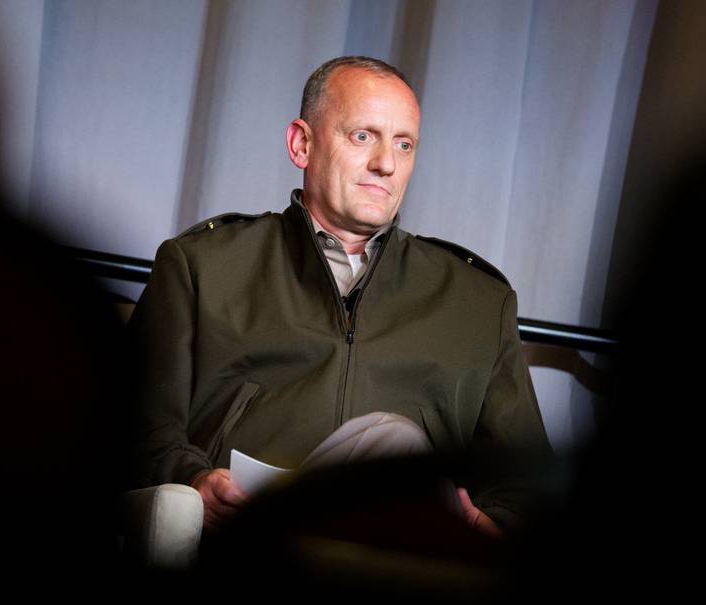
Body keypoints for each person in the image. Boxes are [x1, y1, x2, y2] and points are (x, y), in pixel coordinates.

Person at [128, 56, 552, 537]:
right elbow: (133, 425)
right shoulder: (203, 266)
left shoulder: (478, 302)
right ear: (301, 143)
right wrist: (193, 478)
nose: (386, 164)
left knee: (395, 448)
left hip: (410, 552)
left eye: (404, 144)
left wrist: (494, 527)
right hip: (251, 535)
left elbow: (525, 480)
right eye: (363, 136)